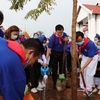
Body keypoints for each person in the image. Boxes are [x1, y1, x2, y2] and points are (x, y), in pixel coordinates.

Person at [46, 24, 69, 89]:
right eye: (58, 32)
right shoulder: (52, 37)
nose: (60, 34)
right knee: (55, 68)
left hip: (62, 53)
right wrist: (46, 58)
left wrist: (66, 40)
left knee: (63, 68)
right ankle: (54, 83)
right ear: (55, 31)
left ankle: (64, 82)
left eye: (61, 32)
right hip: (55, 54)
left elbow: (67, 43)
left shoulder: (64, 35)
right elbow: (49, 48)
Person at [76, 31, 98, 96]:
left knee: (89, 74)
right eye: (77, 41)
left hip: (92, 58)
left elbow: (90, 58)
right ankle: (82, 86)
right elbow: (80, 50)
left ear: (83, 38)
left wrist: (83, 67)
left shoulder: (90, 44)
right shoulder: (78, 43)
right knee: (82, 72)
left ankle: (89, 89)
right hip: (85, 56)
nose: (79, 42)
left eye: (80, 40)